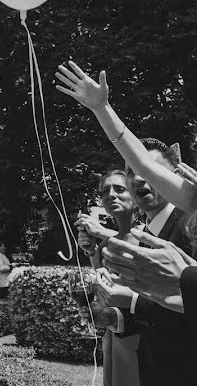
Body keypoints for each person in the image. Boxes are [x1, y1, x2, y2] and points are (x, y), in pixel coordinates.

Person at [75, 139, 191, 385]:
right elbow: (158, 314)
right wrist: (114, 318)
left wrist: (133, 301)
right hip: (152, 367)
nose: (139, 178)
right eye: (132, 172)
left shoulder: (190, 227)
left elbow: (190, 305)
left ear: (174, 176)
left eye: (148, 169)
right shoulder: (149, 233)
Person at [56, 61, 197, 214]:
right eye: (130, 173)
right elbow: (144, 167)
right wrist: (101, 108)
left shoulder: (184, 222)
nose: (138, 179)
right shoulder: (193, 202)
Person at [74, 169, 140, 386]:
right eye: (105, 191)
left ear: (135, 194)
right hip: (113, 331)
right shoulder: (105, 244)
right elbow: (102, 281)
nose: (111, 194)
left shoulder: (148, 234)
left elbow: (137, 247)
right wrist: (92, 250)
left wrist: (101, 231)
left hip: (140, 332)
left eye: (119, 189)